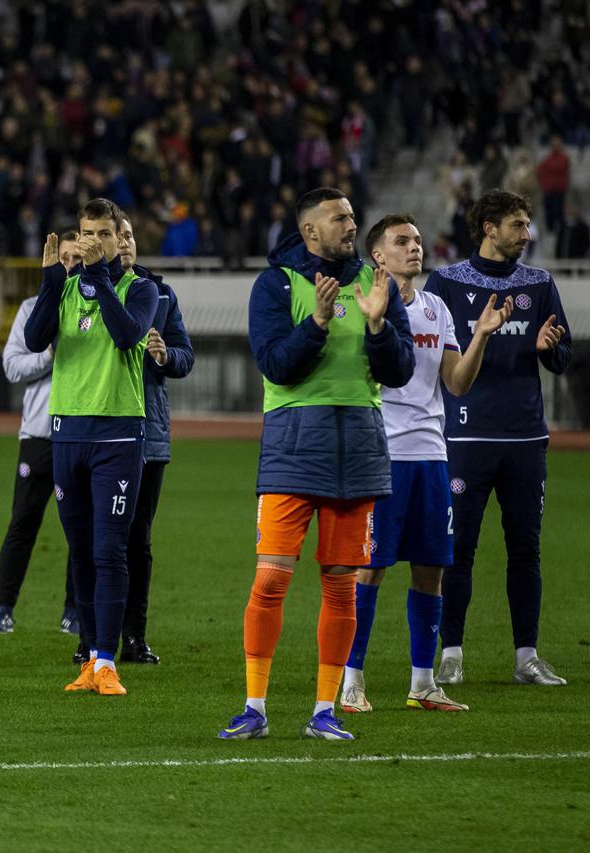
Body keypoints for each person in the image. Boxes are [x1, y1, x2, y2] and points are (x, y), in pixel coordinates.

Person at [218, 187, 414, 741]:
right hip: (292, 447)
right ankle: (255, 706)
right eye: (339, 217)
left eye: (352, 215)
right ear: (309, 231)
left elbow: (399, 372)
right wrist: (319, 322)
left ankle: (324, 710)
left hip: (359, 448)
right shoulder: (277, 284)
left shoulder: (376, 285)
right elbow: (277, 365)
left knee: (340, 587)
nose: (351, 224)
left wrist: (377, 325)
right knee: (271, 580)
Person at [340, 213, 512, 715]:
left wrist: (480, 334)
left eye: (417, 239)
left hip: (432, 456)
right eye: (401, 241)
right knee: (369, 570)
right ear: (378, 256)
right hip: (382, 455)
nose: (414, 248)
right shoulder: (361, 303)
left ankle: (423, 684)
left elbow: (456, 382)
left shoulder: (436, 308)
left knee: (432, 569)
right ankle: (352, 681)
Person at [424, 190, 572, 687]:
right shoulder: (445, 283)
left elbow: (563, 354)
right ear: (489, 227)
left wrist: (549, 350)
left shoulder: (539, 284)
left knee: (525, 549)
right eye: (518, 225)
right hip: (464, 437)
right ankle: (452, 654)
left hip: (526, 437)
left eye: (528, 225)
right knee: (457, 549)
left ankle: (526, 657)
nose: (526, 234)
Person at [24, 198, 159, 697]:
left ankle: (108, 660)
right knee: (80, 551)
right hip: (66, 432)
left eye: (103, 233)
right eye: (86, 233)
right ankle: (89, 657)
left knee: (109, 550)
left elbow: (127, 336)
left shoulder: (140, 289)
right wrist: (50, 282)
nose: (93, 242)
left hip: (117, 434)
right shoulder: (65, 289)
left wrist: (99, 275)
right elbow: (36, 339)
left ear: (118, 238)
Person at [0, 231, 80, 637]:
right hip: (39, 433)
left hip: (78, 432)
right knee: (22, 523)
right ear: (53, 261)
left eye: (77, 257)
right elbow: (14, 368)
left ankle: (74, 612)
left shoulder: (92, 306)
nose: (71, 265)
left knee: (79, 528)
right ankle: (2, 609)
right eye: (65, 258)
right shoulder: (30, 308)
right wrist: (51, 355)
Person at [117, 215, 194, 665]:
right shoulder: (87, 292)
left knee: (138, 539)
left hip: (148, 432)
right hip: (104, 429)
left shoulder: (161, 293)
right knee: (99, 538)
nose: (123, 242)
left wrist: (166, 355)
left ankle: (134, 636)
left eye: (128, 235)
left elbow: (186, 355)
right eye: (114, 235)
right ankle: (93, 635)